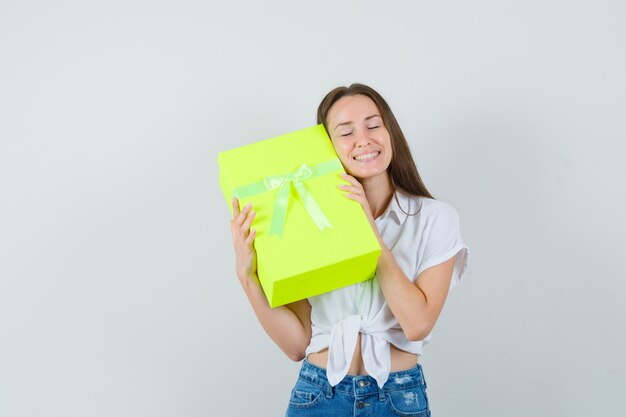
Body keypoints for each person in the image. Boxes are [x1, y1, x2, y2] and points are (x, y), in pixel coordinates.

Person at [229, 83, 470, 416]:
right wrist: (248, 277)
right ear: (327, 147)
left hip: (398, 399)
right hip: (318, 394)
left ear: (390, 133)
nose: (364, 139)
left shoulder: (434, 218)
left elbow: (417, 324)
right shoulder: (308, 221)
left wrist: (367, 228)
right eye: (346, 132)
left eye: (373, 125)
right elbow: (297, 345)